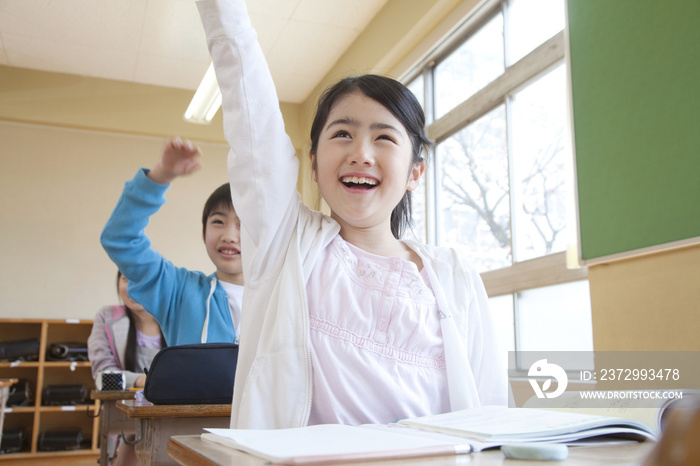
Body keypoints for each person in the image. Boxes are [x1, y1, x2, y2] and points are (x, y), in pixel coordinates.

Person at [197, 0, 508, 429]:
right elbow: (248, 102)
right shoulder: (285, 243)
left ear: (416, 171)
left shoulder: (454, 277)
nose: (360, 153)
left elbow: (491, 409)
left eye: (384, 137)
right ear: (312, 163)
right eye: (342, 133)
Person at [101, 137, 244, 346]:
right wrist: (161, 175)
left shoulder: (283, 297)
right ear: (203, 232)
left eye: (244, 225)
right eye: (218, 221)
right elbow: (120, 237)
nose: (229, 236)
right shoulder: (178, 290)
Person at [87, 271, 165, 466]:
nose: (133, 286)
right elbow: (103, 376)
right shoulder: (107, 317)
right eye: (126, 278)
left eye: (142, 277)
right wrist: (142, 381)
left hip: (169, 422)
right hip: (124, 422)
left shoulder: (176, 321)